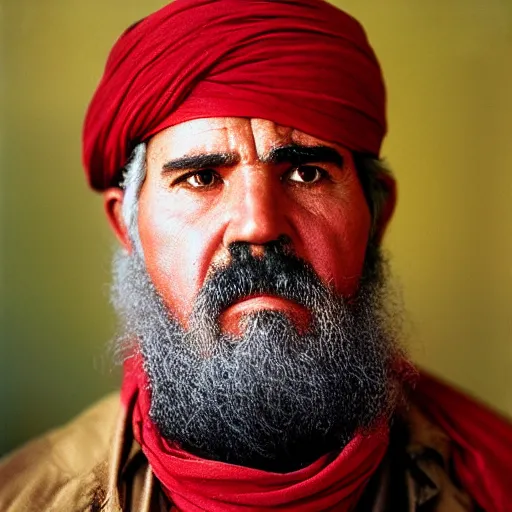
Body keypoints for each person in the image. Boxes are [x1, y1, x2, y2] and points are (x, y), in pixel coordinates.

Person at [1, 0, 511, 510]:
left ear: (376, 217)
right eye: (201, 178)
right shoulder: (24, 497)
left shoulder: (494, 481)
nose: (258, 226)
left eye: (306, 173)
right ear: (126, 227)